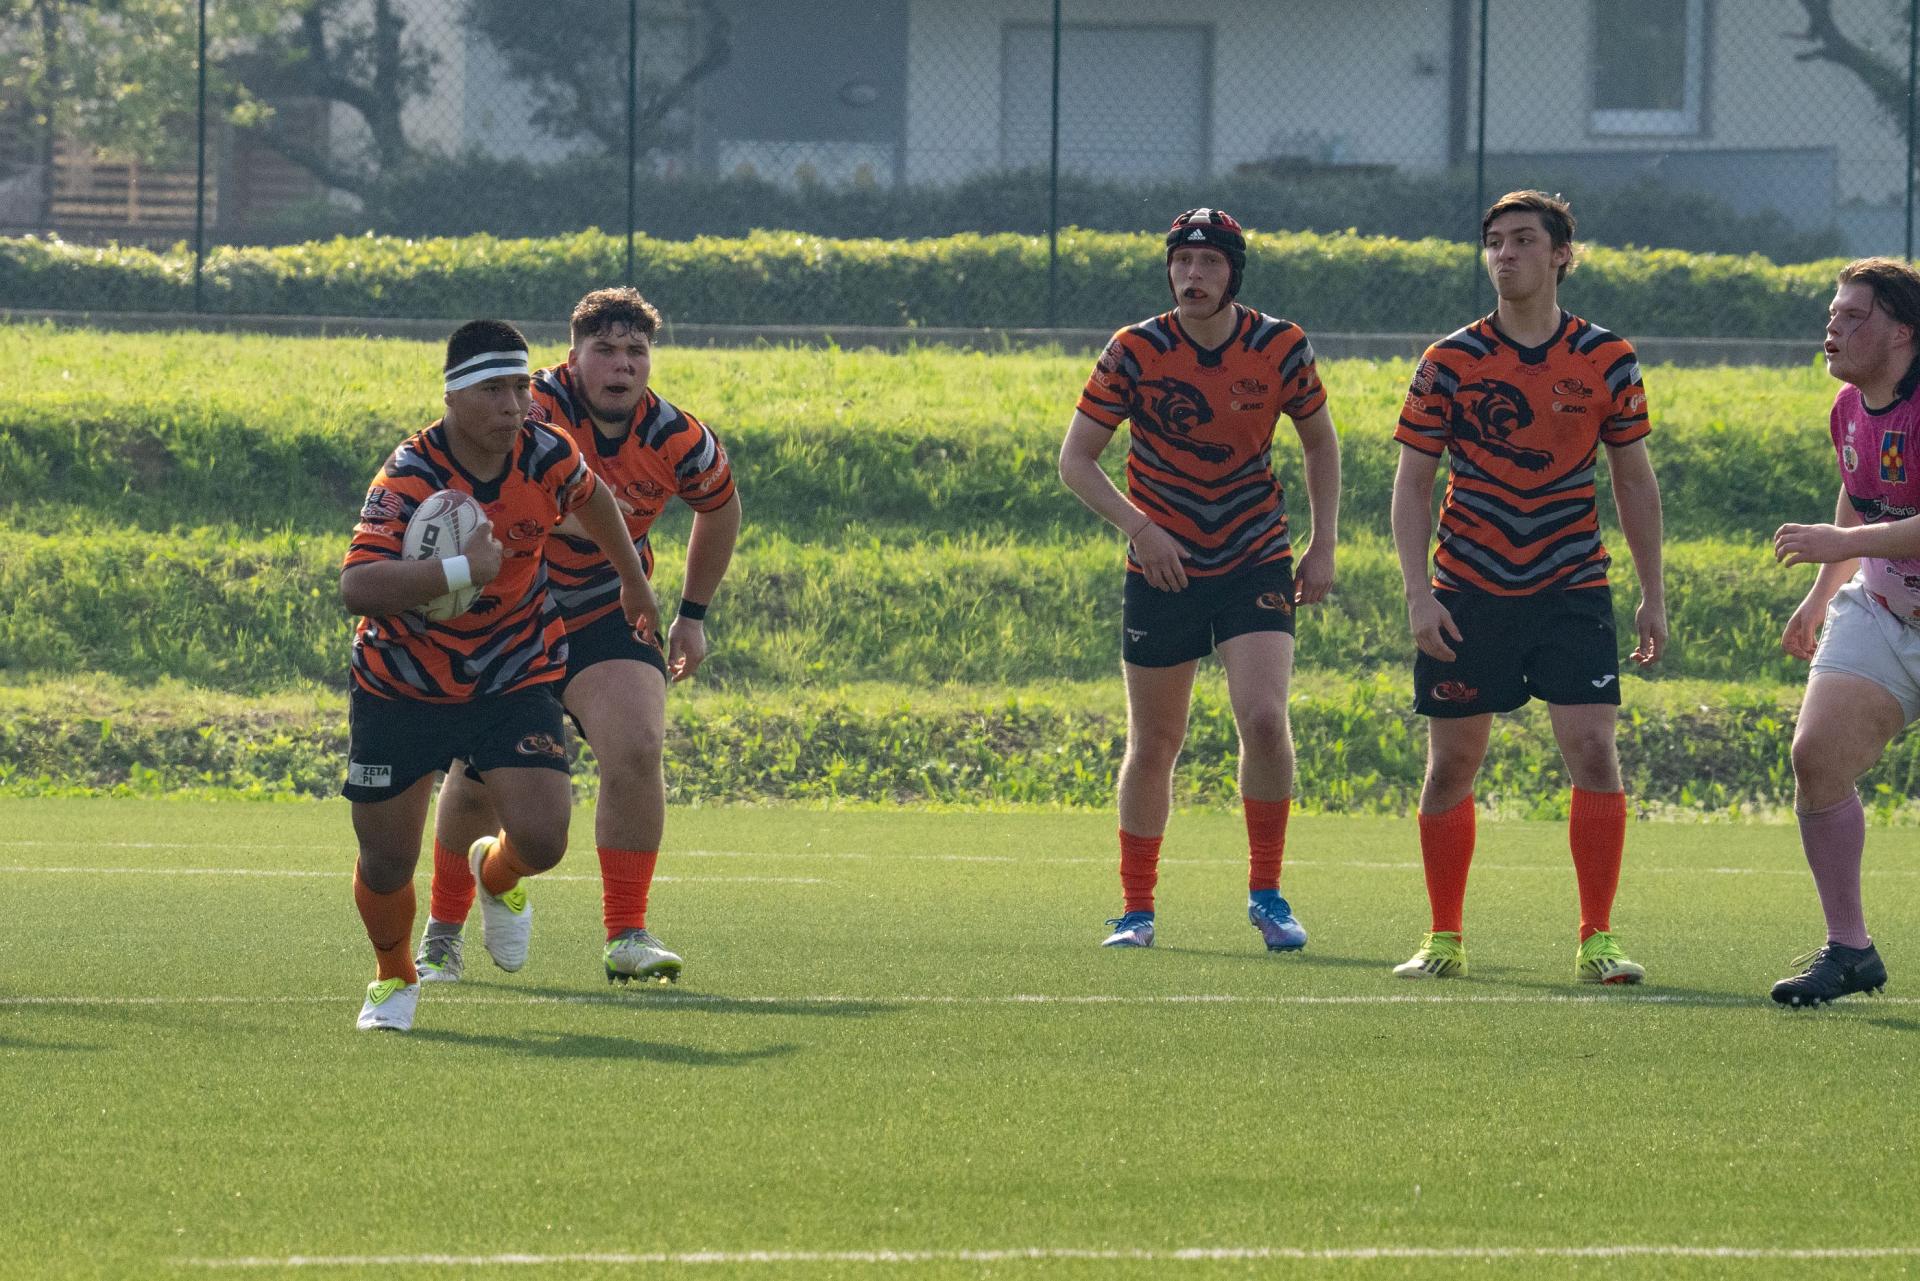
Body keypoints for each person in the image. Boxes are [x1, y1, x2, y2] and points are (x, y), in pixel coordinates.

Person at [414, 288, 740, 986]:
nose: (623, 365)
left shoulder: (677, 437)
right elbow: (497, 488)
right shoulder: (527, 407)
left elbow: (720, 505)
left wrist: (693, 614)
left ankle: (627, 932)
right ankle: (442, 932)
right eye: (606, 350)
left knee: (638, 747)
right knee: (475, 779)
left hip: (606, 606)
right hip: (512, 607)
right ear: (573, 356)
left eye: (636, 351)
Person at [341, 319, 657, 1031]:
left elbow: (593, 498)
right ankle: (393, 977)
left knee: (543, 839)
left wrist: (633, 583)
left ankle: (496, 872)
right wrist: (460, 570)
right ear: (453, 396)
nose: (514, 405)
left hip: (512, 669)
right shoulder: (410, 473)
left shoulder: (547, 451)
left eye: (520, 387)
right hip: (403, 682)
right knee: (386, 862)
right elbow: (358, 586)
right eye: (493, 390)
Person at [1390, 190, 1666, 985]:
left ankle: (1598, 937)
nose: (1504, 254)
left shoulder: (1608, 357)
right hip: (1468, 588)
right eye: (1494, 242)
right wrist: (1418, 592)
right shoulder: (1448, 360)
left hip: (1572, 585)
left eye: (1522, 240)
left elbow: (1633, 480)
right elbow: (1412, 484)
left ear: (1561, 255)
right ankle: (1443, 936)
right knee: (1453, 765)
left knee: (1595, 752)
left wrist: (1652, 593)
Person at [1059, 207, 1341, 952]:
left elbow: (1320, 443)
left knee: (1264, 719)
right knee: (1156, 739)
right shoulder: (1134, 349)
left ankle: (1267, 894)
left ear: (1232, 273)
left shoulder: (1280, 345)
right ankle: (1136, 909)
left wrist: (1322, 544)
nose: (1193, 274)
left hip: (1254, 554)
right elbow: (1075, 461)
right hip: (1163, 565)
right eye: (1182, 261)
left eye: (1210, 262)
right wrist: (1141, 529)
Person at [1768, 256, 1920, 1006]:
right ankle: (1850, 948)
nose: (1833, 327)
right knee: (1818, 755)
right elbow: (1861, 495)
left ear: (1902, 334)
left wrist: (1843, 544)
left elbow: (1858, 528)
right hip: (1887, 609)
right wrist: (1822, 591)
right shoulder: (1850, 407)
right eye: (1833, 313)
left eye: (1854, 316)